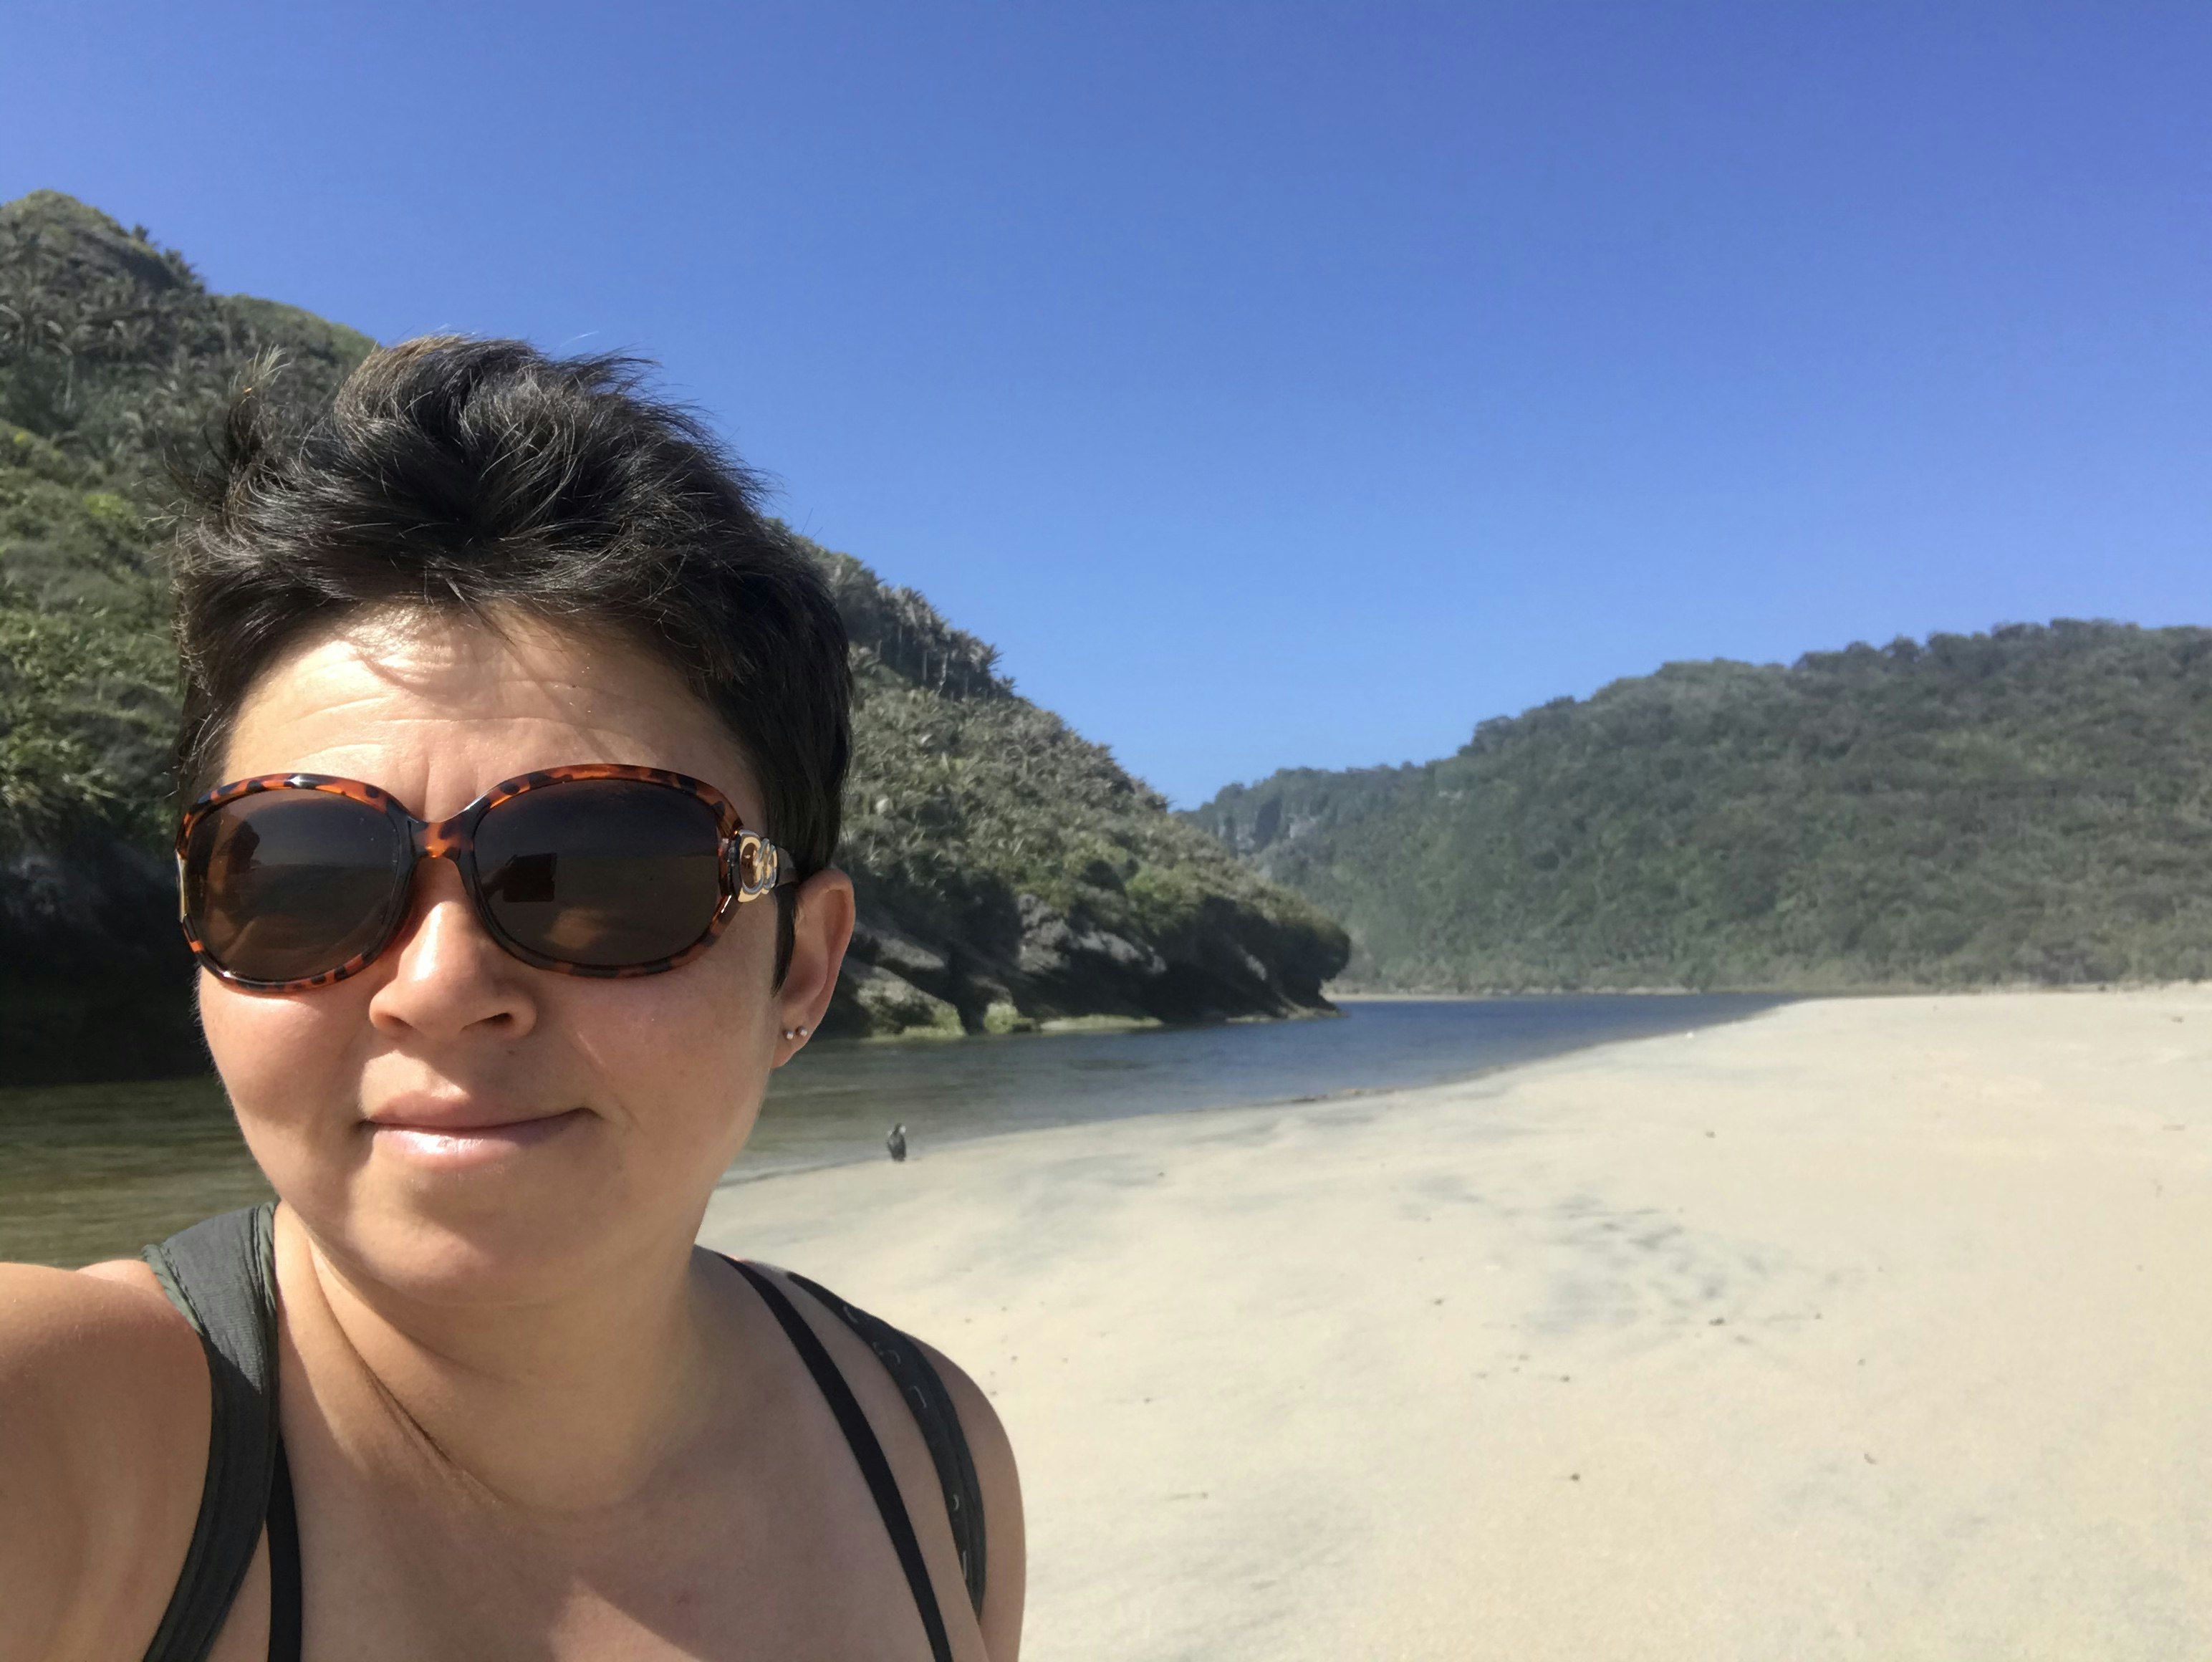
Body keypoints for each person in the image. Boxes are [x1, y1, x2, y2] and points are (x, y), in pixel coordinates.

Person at [0, 338, 1024, 1661]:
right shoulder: (56, 1444)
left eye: (598, 870)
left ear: (805, 968)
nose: (435, 989)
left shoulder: (934, 1456)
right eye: (301, 878)